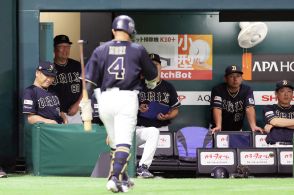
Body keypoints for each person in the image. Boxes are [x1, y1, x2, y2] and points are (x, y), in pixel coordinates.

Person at [83, 15, 157, 193]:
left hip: (104, 98)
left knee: (115, 144)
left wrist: (85, 103)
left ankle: (122, 178)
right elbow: (153, 76)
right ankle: (114, 177)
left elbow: (89, 82)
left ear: (113, 30)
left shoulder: (101, 50)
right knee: (123, 142)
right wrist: (151, 82)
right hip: (126, 97)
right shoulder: (137, 49)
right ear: (131, 31)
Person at [136, 53, 181, 178]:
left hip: (161, 128)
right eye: (149, 65)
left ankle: (143, 168)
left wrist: (168, 116)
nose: (153, 67)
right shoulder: (137, 85)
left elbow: (175, 109)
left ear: (161, 67)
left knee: (162, 158)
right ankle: (135, 168)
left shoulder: (168, 87)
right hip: (139, 128)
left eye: (155, 64)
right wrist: (138, 108)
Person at [210, 65, 263, 133]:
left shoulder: (246, 90)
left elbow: (249, 108)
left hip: (237, 129)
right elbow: (217, 108)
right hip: (217, 129)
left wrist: (253, 126)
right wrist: (218, 126)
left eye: (238, 76)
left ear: (242, 78)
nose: (235, 79)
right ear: (226, 79)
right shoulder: (218, 89)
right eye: (231, 76)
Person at [50, 35, 82, 123]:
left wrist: (77, 104)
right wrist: (58, 111)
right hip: (56, 114)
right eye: (61, 47)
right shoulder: (50, 67)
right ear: (54, 49)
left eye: (68, 47)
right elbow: (44, 92)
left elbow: (85, 88)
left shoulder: (77, 65)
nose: (65, 50)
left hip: (76, 112)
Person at [263, 80, 294, 144]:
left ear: (292, 94)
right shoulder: (269, 108)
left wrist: (275, 125)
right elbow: (274, 121)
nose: (286, 94)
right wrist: (275, 123)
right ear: (276, 94)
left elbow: (275, 123)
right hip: (275, 145)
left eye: (289, 91)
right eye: (282, 91)